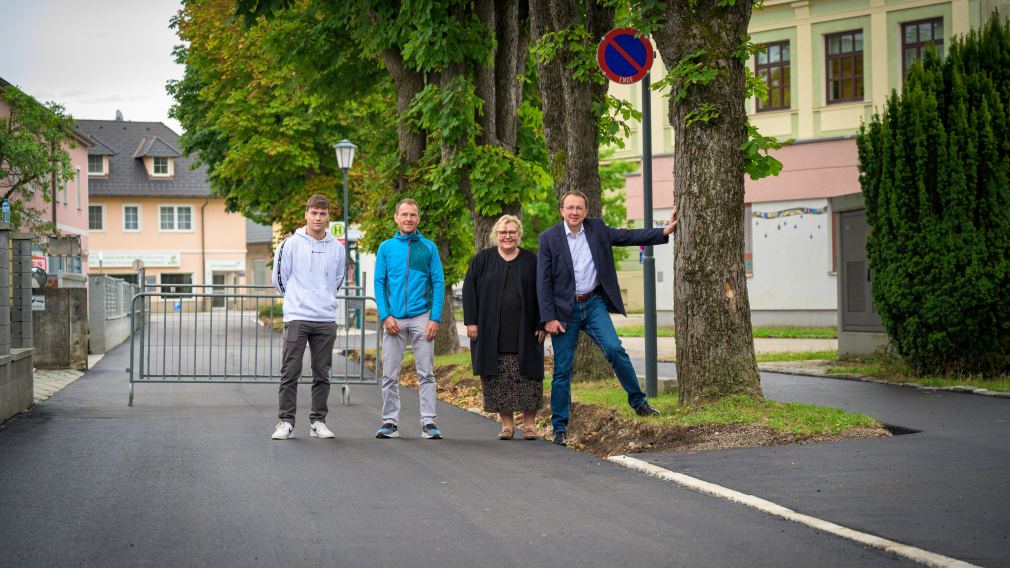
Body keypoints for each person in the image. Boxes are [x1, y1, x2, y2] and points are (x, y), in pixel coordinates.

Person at [537, 190, 677, 446]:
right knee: (562, 370)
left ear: (586, 211)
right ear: (562, 211)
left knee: (615, 349)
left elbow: (627, 236)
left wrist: (663, 232)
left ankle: (639, 402)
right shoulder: (549, 238)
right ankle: (559, 427)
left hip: (592, 304)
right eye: (570, 208)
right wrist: (548, 318)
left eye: (579, 208)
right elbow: (543, 282)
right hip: (563, 312)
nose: (574, 212)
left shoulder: (597, 229)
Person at [463, 215, 547, 440]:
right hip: (491, 332)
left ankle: (530, 426)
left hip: (527, 330)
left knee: (529, 379)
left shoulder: (532, 260)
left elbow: (543, 292)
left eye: (512, 232)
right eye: (503, 232)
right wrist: (471, 321)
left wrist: (542, 322)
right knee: (498, 380)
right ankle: (507, 425)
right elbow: (469, 291)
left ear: (519, 235)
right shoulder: (483, 260)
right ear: (496, 235)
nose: (507, 236)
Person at [270, 194, 346, 440]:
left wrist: (323, 297)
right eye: (314, 213)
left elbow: (337, 280)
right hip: (297, 316)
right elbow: (279, 279)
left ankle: (318, 421)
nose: (318, 218)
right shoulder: (290, 244)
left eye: (322, 214)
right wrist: (296, 298)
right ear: (306, 215)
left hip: (325, 318)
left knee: (322, 373)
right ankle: (286, 421)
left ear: (328, 217)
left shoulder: (337, 248)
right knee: (290, 370)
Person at [374, 198, 446, 440]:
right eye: (404, 214)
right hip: (393, 319)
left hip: (422, 317)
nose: (408, 219)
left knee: (426, 373)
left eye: (412, 215)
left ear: (418, 218)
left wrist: (434, 318)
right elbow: (379, 282)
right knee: (389, 374)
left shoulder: (428, 247)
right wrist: (385, 315)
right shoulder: (386, 247)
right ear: (396, 218)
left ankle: (429, 423)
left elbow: (438, 282)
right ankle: (389, 422)